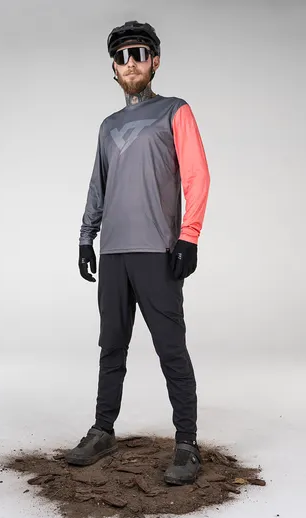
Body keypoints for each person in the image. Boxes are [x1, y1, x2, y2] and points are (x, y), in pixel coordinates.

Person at [65, 20, 211, 485]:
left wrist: (189, 236)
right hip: (113, 253)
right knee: (112, 344)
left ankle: (186, 443)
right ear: (113, 67)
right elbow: (98, 185)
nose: (131, 63)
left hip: (157, 251)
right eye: (122, 56)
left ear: (155, 61)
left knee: (170, 347)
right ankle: (103, 430)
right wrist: (86, 237)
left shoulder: (174, 111)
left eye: (140, 54)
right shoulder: (108, 126)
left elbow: (197, 175)